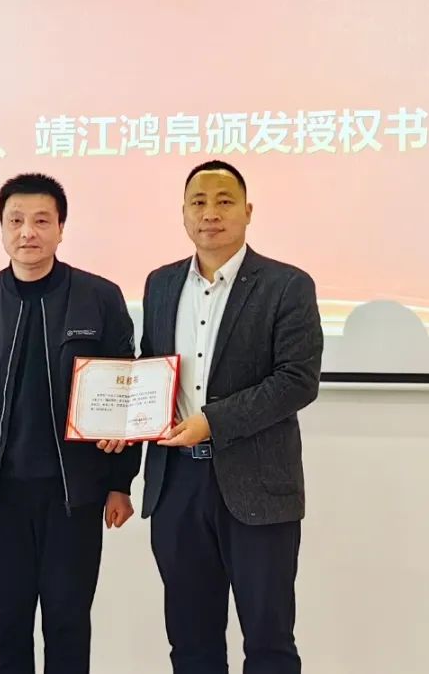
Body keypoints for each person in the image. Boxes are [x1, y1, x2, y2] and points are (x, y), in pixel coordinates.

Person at [108, 160, 323, 674]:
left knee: (268, 641)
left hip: (257, 485)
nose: (210, 213)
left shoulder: (286, 285)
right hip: (176, 484)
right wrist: (123, 418)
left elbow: (297, 380)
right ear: (183, 213)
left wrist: (212, 421)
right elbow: (152, 368)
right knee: (191, 640)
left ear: (248, 211)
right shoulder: (161, 284)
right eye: (198, 202)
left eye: (224, 201)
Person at [0, 173, 139, 674]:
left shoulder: (99, 298)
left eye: (42, 221)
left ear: (61, 228)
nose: (28, 232)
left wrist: (121, 482)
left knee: (68, 624)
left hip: (75, 494)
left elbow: (128, 393)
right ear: (2, 228)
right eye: (16, 220)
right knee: (6, 627)